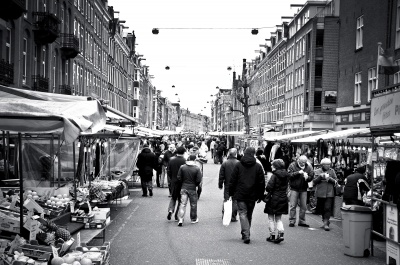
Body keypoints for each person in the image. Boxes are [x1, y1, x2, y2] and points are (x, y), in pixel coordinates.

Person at [229, 147, 265, 244]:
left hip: (240, 193)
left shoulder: (239, 165)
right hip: (252, 194)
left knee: (242, 213)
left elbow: (233, 180)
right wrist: (260, 195)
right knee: (249, 214)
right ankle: (246, 232)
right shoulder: (257, 166)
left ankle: (246, 233)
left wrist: (231, 193)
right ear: (254, 154)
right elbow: (261, 182)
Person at [264, 159, 289, 244]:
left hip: (273, 198)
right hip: (283, 197)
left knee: (271, 218)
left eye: (272, 165)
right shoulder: (286, 175)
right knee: (278, 218)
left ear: (276, 166)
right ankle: (281, 234)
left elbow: (269, 187)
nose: (271, 166)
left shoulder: (274, 176)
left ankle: (272, 235)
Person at [287, 155, 315, 228]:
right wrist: (298, 173)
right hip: (294, 188)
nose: (303, 163)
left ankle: (302, 221)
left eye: (305, 162)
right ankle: (292, 221)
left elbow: (312, 176)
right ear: (298, 160)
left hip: (304, 188)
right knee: (293, 205)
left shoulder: (308, 166)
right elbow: (289, 175)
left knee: (303, 206)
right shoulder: (292, 165)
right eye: (302, 162)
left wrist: (307, 178)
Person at [177, 154, 203, 226]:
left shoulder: (182, 167)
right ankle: (193, 219)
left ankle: (181, 219)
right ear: (194, 160)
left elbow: (179, 177)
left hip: (184, 187)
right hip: (192, 188)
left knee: (182, 204)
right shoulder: (197, 168)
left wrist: (183, 182)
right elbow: (198, 180)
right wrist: (195, 184)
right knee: (193, 204)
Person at [313, 158, 338, 231]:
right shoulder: (317, 171)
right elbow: (314, 182)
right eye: (327, 164)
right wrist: (320, 177)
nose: (328, 166)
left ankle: (326, 223)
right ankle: (324, 220)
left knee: (328, 207)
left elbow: (336, 181)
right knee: (322, 208)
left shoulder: (332, 171)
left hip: (329, 192)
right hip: (320, 192)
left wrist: (329, 179)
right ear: (322, 165)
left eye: (329, 164)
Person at [218, 148, 240, 222]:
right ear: (235, 154)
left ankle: (225, 215)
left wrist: (220, 184)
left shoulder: (225, 163)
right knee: (235, 200)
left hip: (227, 184)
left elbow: (221, 175)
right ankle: (233, 217)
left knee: (227, 199)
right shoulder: (239, 163)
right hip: (237, 185)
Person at [167, 146, 187, 221]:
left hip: (173, 181)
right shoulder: (185, 161)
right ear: (184, 152)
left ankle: (170, 210)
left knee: (173, 197)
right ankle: (177, 215)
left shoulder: (171, 160)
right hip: (182, 182)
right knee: (180, 199)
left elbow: (168, 171)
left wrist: (172, 178)